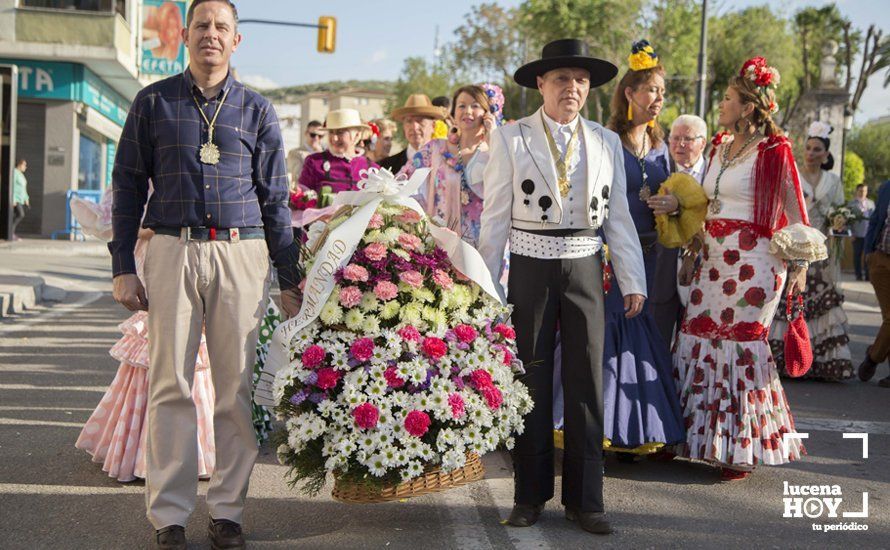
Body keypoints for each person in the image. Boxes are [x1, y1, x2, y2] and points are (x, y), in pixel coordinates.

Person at [108, 1, 301, 548]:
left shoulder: (258, 110)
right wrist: (124, 267)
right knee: (169, 383)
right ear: (186, 37)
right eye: (201, 26)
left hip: (241, 254)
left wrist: (288, 279)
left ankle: (228, 512)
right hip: (171, 248)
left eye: (221, 27)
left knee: (235, 387)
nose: (210, 35)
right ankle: (169, 516)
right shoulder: (152, 102)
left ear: (236, 40)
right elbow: (126, 188)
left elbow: (276, 201)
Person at [479, 38, 647, 535]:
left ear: (589, 87)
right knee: (528, 381)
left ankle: (586, 500)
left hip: (585, 268)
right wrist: (486, 287)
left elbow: (619, 217)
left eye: (579, 80)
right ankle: (529, 496)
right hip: (529, 266)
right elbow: (493, 219)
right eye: (560, 79)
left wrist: (633, 279)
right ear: (540, 84)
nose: (571, 88)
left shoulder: (605, 140)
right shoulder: (511, 138)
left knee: (586, 384)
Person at [672, 57, 816, 482]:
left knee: (740, 344)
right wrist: (690, 243)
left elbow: (796, 213)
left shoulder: (777, 151)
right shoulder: (717, 145)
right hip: (713, 258)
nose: (721, 103)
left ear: (749, 107)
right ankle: (695, 439)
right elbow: (704, 202)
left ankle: (738, 447)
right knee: (698, 335)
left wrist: (799, 265)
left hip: (756, 263)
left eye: (729, 98)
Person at [73, 189, 278, 483]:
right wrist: (152, 231)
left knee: (201, 346)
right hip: (162, 255)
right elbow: (119, 218)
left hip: (209, 253)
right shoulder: (150, 170)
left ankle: (198, 449)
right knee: (164, 348)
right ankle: (149, 451)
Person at [598, 40, 684, 459]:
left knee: (647, 341)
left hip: (655, 256)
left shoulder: (662, 147)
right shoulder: (606, 140)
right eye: (651, 90)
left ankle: (640, 431)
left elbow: (681, 197)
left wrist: (674, 204)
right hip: (614, 256)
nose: (658, 99)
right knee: (615, 335)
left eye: (662, 93)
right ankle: (604, 429)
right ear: (629, 93)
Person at [768, 121, 854, 381]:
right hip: (795, 248)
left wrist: (838, 220)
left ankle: (818, 362)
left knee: (820, 305)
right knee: (789, 301)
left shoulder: (833, 181)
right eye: (808, 148)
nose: (811, 153)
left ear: (826, 155)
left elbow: (840, 211)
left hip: (821, 254)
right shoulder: (792, 173)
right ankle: (786, 358)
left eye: (817, 149)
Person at [399, 84, 498, 247]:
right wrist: (420, 210)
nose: (467, 111)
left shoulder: (495, 152)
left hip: (485, 245)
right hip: (442, 245)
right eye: (461, 106)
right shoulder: (435, 148)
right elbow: (401, 180)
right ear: (454, 114)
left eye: (475, 105)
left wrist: (493, 135)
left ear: (487, 113)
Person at [652, 115, 709, 346]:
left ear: (702, 143)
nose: (679, 145)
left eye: (687, 139)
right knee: (658, 336)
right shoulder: (659, 171)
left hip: (705, 269)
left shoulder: (715, 175)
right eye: (674, 138)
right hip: (663, 266)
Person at [299, 109, 376, 199]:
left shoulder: (371, 168)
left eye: (340, 132)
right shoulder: (314, 162)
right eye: (331, 132)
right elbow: (301, 199)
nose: (334, 138)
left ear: (357, 135)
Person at [858, 180, 890, 387]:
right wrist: (869, 252)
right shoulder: (887, 187)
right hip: (881, 259)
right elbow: (877, 219)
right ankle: (875, 358)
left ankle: (873, 357)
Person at [379, 94, 444, 173]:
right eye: (409, 121)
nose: (414, 127)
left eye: (420, 121)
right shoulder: (387, 166)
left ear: (433, 126)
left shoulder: (445, 160)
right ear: (404, 126)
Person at [286, 120, 324, 188]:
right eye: (313, 135)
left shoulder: (324, 153)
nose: (316, 138)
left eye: (320, 136)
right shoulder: (294, 153)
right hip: (304, 194)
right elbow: (299, 176)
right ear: (306, 133)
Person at [849, 183, 875, 281]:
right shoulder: (851, 204)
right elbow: (847, 221)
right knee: (857, 255)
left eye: (865, 191)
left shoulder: (871, 203)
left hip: (868, 235)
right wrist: (851, 233)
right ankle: (858, 275)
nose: (863, 193)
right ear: (857, 191)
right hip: (856, 234)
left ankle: (868, 276)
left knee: (867, 256)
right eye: (861, 190)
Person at [12, 158, 29, 240]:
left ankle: (11, 232)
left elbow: (23, 188)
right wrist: (13, 199)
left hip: (20, 199)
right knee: (20, 214)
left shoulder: (21, 174)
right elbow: (12, 186)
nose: (25, 167)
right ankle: (10, 233)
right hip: (15, 199)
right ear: (19, 164)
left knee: (16, 215)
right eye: (24, 165)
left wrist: (26, 198)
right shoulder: (15, 172)